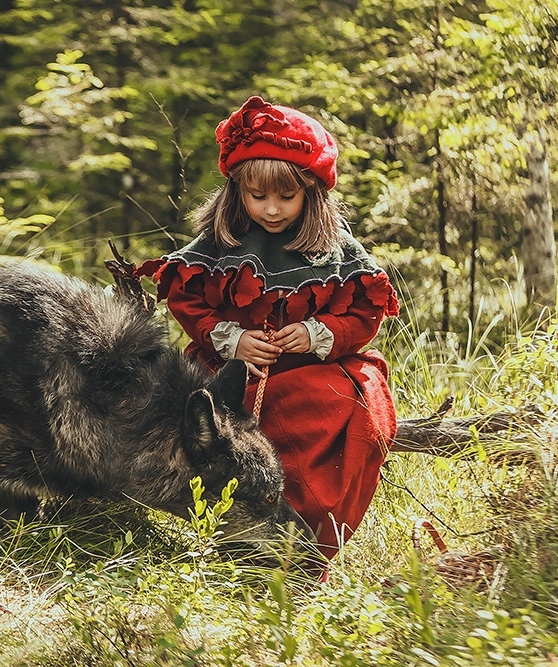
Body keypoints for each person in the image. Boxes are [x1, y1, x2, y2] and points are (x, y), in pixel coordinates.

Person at [138, 96, 400, 563]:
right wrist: (231, 337)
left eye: (287, 196)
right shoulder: (223, 242)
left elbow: (366, 312)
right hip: (233, 369)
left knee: (339, 412)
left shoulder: (336, 248)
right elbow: (186, 298)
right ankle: (240, 541)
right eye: (257, 196)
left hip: (316, 368)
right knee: (217, 422)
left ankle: (310, 546)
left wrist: (322, 331)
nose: (272, 210)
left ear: (313, 192)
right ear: (236, 191)